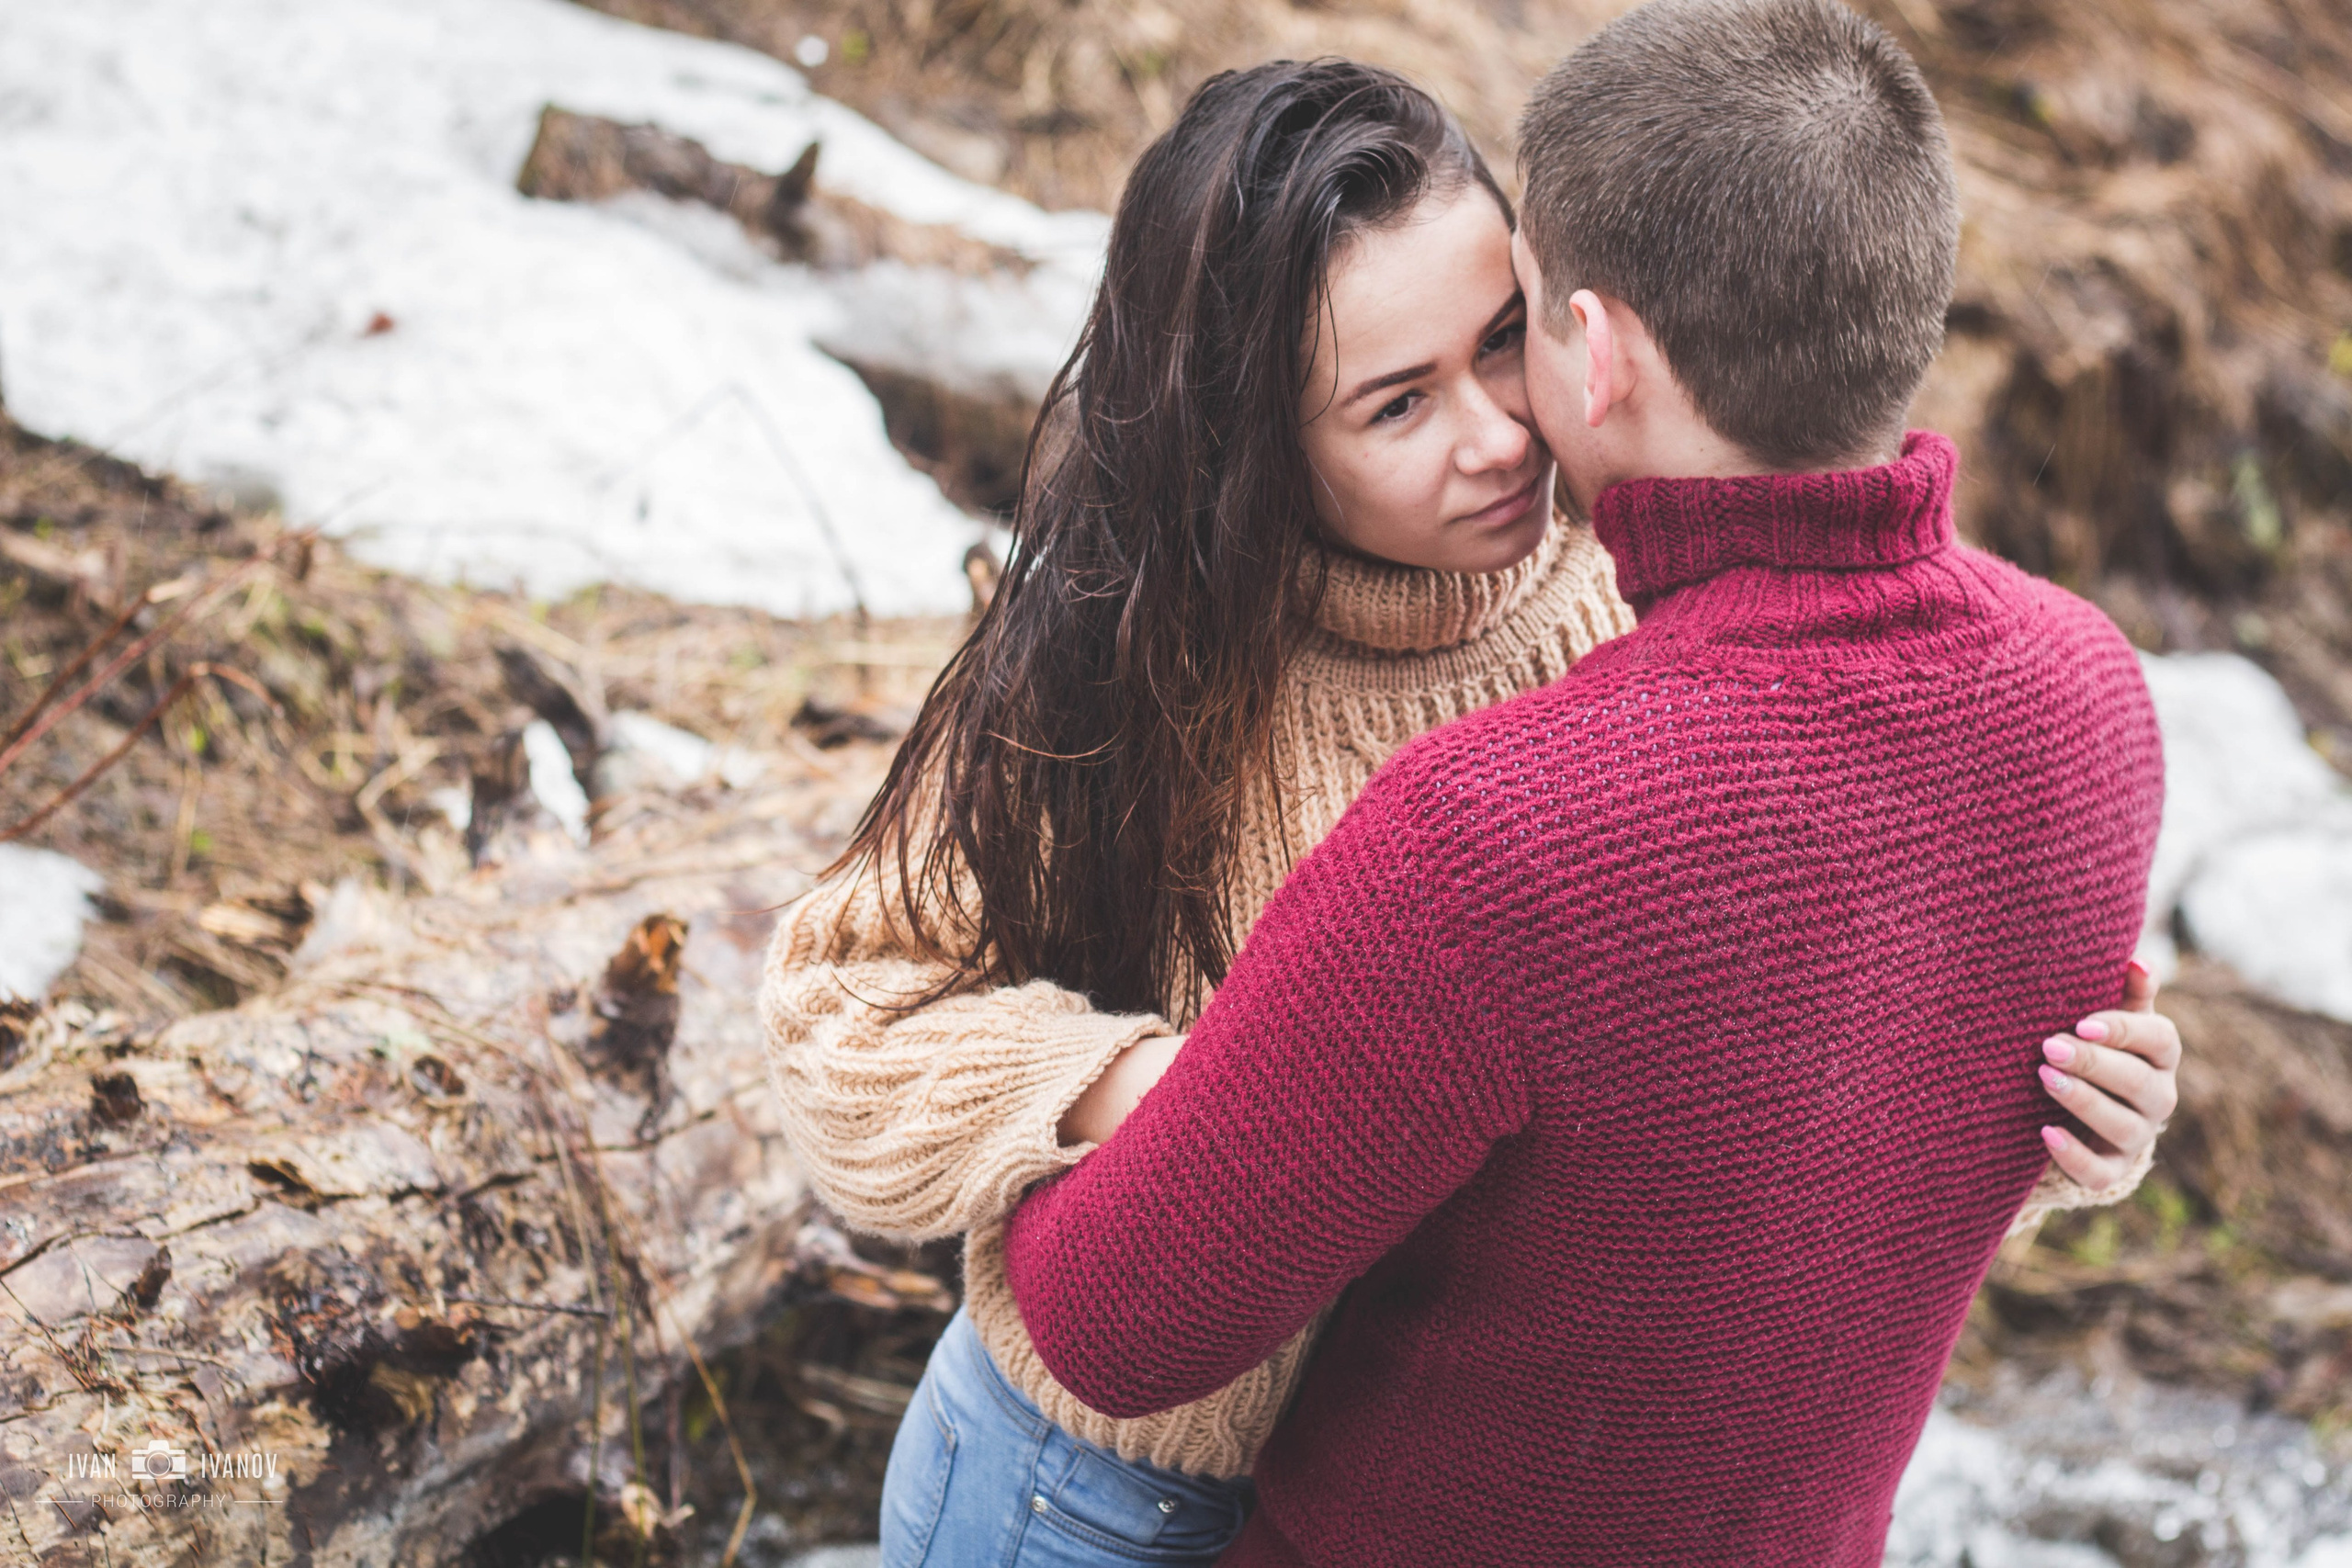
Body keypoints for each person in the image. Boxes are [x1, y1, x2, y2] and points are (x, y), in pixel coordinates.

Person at [762, 51, 2179, 1568]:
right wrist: (1138, 1082)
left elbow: (1723, 1154)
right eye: (1395, 404)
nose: (1499, 435)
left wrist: (2037, 1125)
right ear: (1262, 441)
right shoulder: (1132, 656)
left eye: (1504, 341)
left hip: (1378, 1483)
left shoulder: (1628, 606)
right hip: (1095, 1489)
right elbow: (841, 1015)